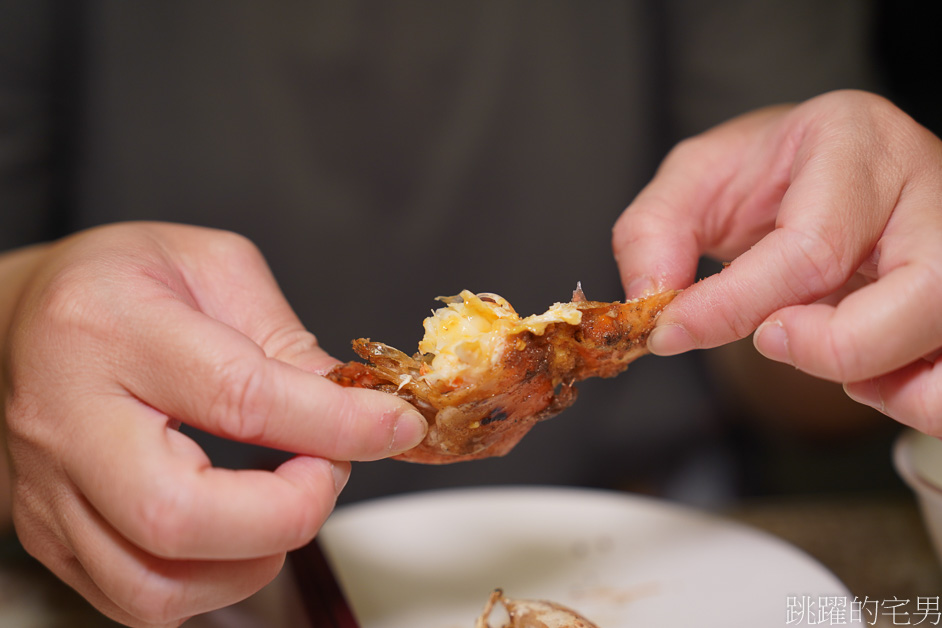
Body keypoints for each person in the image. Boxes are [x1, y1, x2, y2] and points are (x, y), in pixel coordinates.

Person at [2, 1, 937, 626]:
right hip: (153, 557)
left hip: (665, 535)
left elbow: (794, 378)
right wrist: (20, 318)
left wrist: (856, 272)